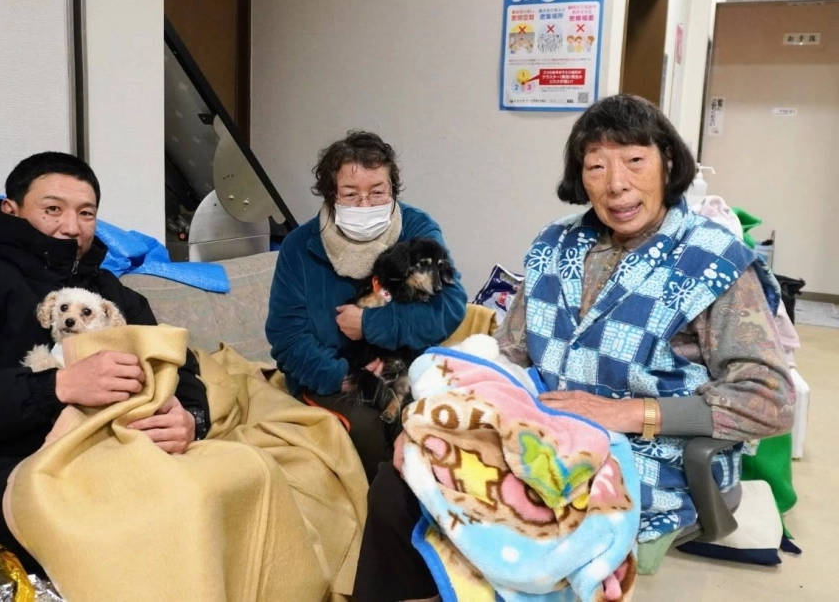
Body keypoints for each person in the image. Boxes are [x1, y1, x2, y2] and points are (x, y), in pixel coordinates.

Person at [353, 95, 794, 601]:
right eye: (596, 166)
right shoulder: (554, 245)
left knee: (503, 521)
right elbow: (510, 352)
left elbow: (770, 399)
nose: (617, 183)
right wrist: (454, 401)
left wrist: (623, 412)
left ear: (667, 162)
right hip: (542, 435)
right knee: (406, 474)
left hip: (642, 459)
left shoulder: (713, 260)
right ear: (579, 176)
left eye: (634, 160)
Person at [0, 152, 210, 574]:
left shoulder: (112, 294)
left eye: (86, 213)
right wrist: (56, 387)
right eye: (53, 209)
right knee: (166, 521)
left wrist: (192, 419)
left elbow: (178, 366)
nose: (72, 227)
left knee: (241, 480)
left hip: (112, 455)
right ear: (12, 210)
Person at [265, 130, 467, 483]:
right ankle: (379, 521)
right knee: (372, 428)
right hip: (331, 376)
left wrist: (372, 324)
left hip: (407, 365)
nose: (365, 206)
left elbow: (449, 308)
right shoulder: (300, 246)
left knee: (436, 423)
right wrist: (345, 378)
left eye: (377, 193)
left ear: (393, 191)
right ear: (331, 195)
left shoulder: (416, 229)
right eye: (350, 194)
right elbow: (287, 335)